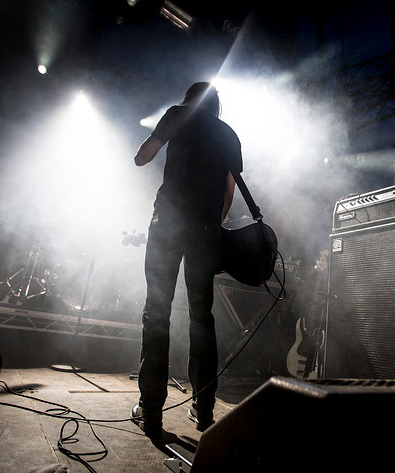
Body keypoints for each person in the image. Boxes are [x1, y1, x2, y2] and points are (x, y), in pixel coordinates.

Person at [130, 82, 243, 438]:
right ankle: (204, 409)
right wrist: (215, 221)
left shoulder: (179, 115)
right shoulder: (230, 134)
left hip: (169, 222)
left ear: (189, 98)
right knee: (202, 317)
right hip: (206, 230)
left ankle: (150, 411)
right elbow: (229, 191)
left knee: (157, 311)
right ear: (217, 105)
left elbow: (141, 157)